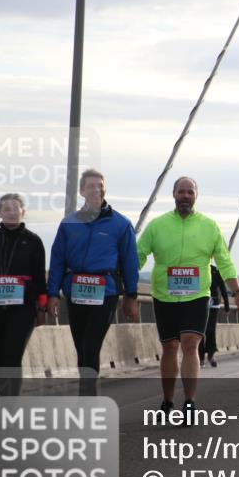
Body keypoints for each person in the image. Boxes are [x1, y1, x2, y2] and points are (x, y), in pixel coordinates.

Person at [137, 177, 239, 416]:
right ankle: (167, 401)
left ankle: (189, 402)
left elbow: (224, 262)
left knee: (190, 344)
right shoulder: (157, 226)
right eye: (181, 192)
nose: (185, 196)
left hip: (197, 296)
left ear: (196, 196)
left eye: (190, 192)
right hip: (164, 296)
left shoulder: (209, 227)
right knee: (169, 348)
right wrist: (124, 284)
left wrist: (237, 292)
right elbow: (138, 255)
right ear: (174, 194)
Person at [47, 169, 140, 395]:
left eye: (100, 185)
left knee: (91, 344)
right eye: (91, 186)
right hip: (75, 290)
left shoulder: (121, 224)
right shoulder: (68, 223)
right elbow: (58, 259)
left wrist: (132, 296)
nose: (96, 189)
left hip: (105, 291)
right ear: (81, 191)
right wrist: (52, 293)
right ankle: (87, 391)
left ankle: (87, 397)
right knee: (81, 346)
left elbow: (130, 261)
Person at [0, 193, 47, 396]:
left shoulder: (33, 241)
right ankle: (8, 397)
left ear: (23, 212)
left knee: (11, 359)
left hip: (23, 309)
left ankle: (10, 405)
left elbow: (40, 279)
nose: (12, 212)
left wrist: (41, 308)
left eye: (15, 208)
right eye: (7, 209)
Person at [200, 265, 229, 367]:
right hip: (199, 302)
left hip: (214, 303)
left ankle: (211, 355)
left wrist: (227, 305)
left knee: (210, 330)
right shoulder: (196, 266)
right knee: (200, 331)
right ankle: (201, 357)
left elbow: (222, 287)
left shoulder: (215, 270)